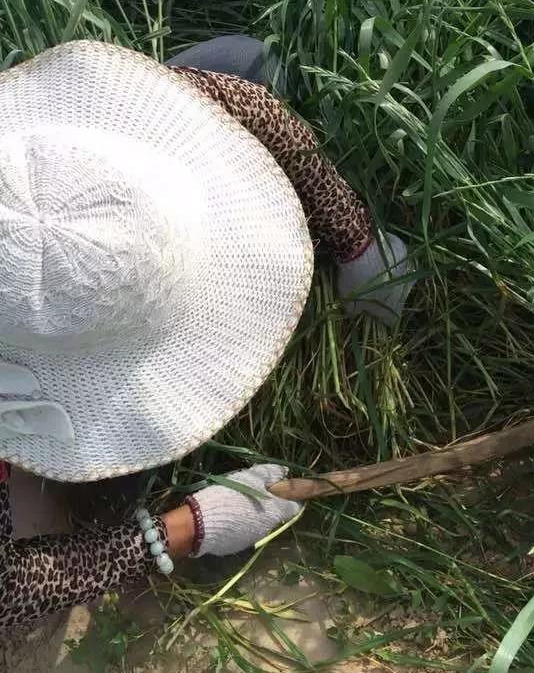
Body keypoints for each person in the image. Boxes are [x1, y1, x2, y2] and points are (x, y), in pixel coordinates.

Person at [0, 36, 412, 631]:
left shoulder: (38, 156)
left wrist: (355, 241)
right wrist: (180, 530)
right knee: (114, 496)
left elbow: (252, 107)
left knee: (246, 63)